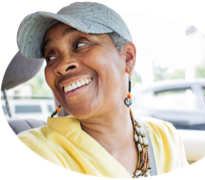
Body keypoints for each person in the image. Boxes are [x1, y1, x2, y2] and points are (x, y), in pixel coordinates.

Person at [16, 2, 188, 178]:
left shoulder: (166, 138)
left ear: (128, 58)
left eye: (81, 45)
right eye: (50, 56)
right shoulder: (34, 151)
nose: (61, 65)